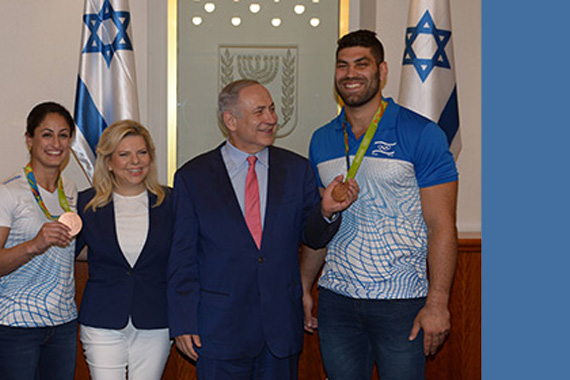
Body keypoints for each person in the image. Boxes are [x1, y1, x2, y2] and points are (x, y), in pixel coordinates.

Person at [167, 79, 358, 380]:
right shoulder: (194, 177)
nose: (271, 119)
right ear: (230, 120)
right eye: (259, 111)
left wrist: (326, 211)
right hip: (218, 331)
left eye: (271, 109)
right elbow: (182, 257)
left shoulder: (297, 170)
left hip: (279, 330)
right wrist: (183, 321)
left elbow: (313, 237)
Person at [302, 30, 459, 380]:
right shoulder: (322, 138)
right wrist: (303, 286)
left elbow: (442, 225)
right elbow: (321, 227)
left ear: (383, 71)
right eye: (342, 66)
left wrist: (438, 302)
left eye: (362, 64)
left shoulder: (421, 133)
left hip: (401, 302)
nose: (350, 73)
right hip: (336, 299)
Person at [0, 101, 78, 380]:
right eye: (46, 134)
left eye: (63, 134)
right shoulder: (5, 192)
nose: (56, 143)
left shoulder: (70, 190)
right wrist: (34, 244)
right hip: (15, 326)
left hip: (63, 325)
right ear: (29, 139)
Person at [76, 120, 173, 380]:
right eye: (124, 154)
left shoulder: (172, 202)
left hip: (155, 319)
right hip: (102, 319)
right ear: (108, 162)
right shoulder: (85, 203)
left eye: (142, 152)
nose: (135, 161)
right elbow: (73, 251)